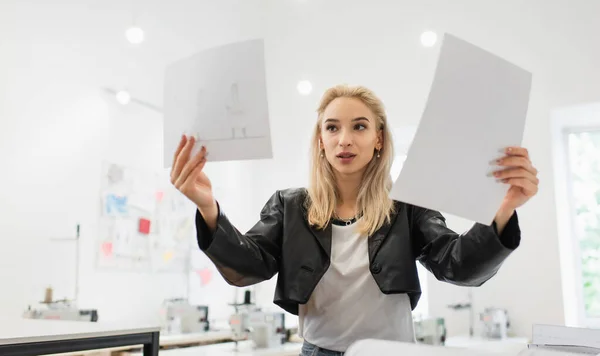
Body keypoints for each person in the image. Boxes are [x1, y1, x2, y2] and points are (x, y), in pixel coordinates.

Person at [170, 84, 539, 356]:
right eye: (332, 128)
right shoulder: (289, 205)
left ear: (379, 139)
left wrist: (502, 209)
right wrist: (208, 209)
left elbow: (457, 264)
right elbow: (249, 266)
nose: (344, 139)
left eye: (359, 127)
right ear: (320, 141)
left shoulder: (407, 206)